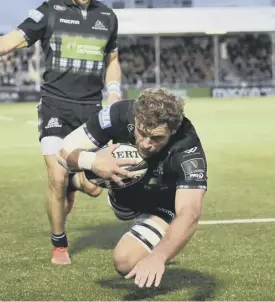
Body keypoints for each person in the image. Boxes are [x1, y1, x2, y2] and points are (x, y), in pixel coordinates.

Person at [0, 0, 122, 265]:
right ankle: (59, 244)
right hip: (55, 106)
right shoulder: (50, 11)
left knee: (95, 187)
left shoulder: (107, 18)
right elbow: (11, 41)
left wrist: (114, 93)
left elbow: (112, 61)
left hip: (90, 110)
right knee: (57, 176)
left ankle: (75, 182)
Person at [56, 88, 208, 288]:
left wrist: (159, 256)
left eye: (156, 138)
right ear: (135, 119)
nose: (146, 144)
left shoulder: (187, 147)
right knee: (93, 184)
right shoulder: (119, 113)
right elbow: (62, 151)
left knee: (125, 262)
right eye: (142, 132)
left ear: (172, 130)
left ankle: (153, 234)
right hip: (123, 190)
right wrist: (91, 161)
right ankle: (77, 182)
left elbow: (190, 212)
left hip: (162, 202)